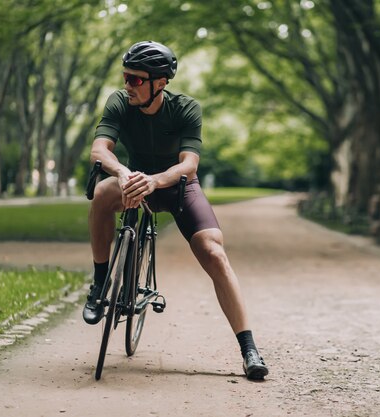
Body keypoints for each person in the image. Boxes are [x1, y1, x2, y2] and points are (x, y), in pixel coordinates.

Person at [82, 40, 269, 380]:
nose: (128, 85)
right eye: (125, 77)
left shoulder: (186, 109)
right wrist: (124, 173)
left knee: (213, 251)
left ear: (160, 82)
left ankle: (249, 349)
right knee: (101, 193)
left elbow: (190, 165)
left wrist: (155, 182)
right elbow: (99, 151)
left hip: (177, 187)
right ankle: (99, 285)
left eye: (136, 80)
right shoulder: (119, 102)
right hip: (134, 181)